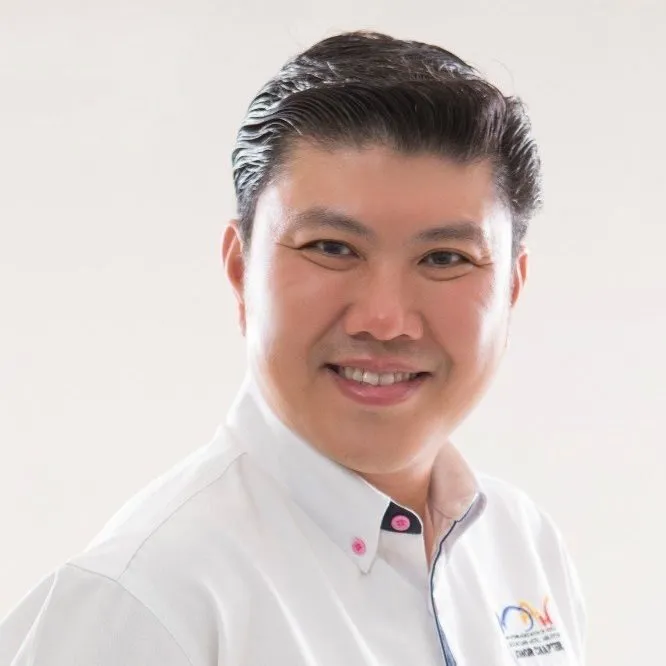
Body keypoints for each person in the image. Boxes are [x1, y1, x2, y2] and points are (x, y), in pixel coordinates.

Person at [0, 31, 586, 665]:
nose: (385, 321)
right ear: (239, 269)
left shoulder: (521, 546)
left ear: (513, 287)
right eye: (332, 248)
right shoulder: (143, 602)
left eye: (444, 258)